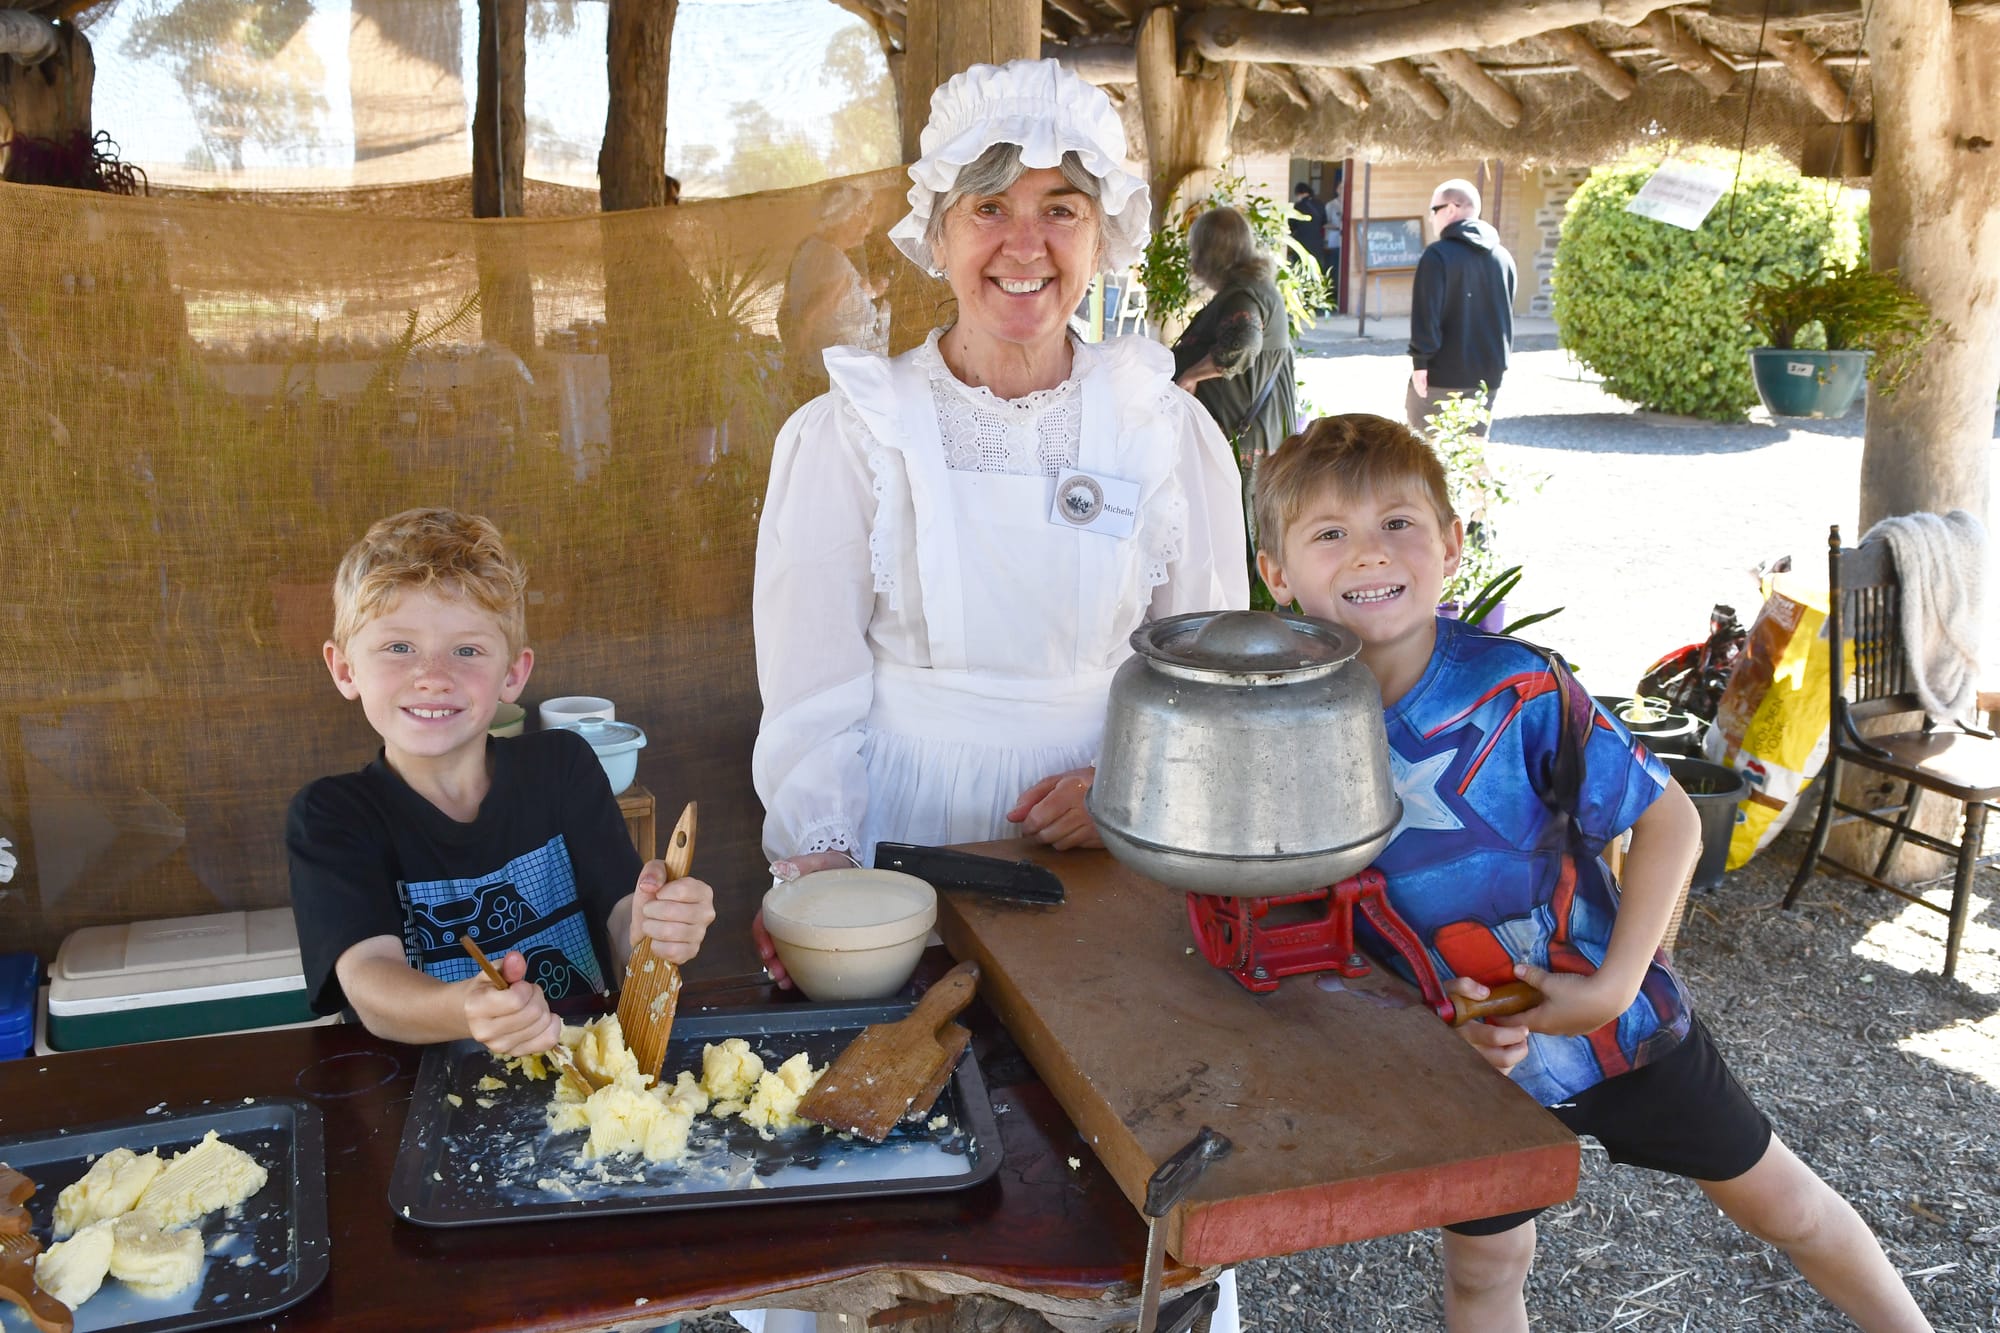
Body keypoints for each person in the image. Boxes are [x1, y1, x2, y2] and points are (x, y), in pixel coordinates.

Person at [745, 57, 1249, 1333]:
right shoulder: (854, 429)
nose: (1023, 245)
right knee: (910, 1161)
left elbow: (1209, 671)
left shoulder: (1164, 427)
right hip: (902, 832)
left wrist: (1134, 792)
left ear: (1104, 233)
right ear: (936, 233)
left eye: (1060, 209)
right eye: (989, 208)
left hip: (1110, 844)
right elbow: (810, 685)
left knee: (1114, 1168)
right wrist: (816, 880)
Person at [1251, 416, 1934, 1333]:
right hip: (1470, 1061)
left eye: (1398, 523)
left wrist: (1611, 989)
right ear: (1278, 573)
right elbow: (1311, 923)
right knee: (1487, 1275)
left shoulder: (1522, 690)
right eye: (1329, 532)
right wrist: (1416, 1039)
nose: (1369, 552)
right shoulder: (1275, 728)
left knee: (1790, 1209)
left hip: (1620, 1031)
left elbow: (1672, 818)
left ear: (1451, 545)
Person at [286, 508, 716, 1057]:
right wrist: (468, 1010)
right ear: (345, 669)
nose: (433, 677)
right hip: (423, 1105)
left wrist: (660, 927)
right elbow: (370, 982)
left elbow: (622, 920)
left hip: (585, 1083)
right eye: (399, 648)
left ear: (513, 674)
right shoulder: (333, 816)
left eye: (467, 651)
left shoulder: (562, 768)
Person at [1173, 206, 1296, 566]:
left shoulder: (1244, 295)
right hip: (1253, 435)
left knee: (1240, 541)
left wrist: (1190, 376)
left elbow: (1242, 341)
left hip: (1246, 441)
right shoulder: (1253, 288)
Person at [1407, 178, 1516, 439]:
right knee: (1472, 451)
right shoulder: (1503, 258)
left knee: (1424, 451)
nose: (1431, 218)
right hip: (1489, 373)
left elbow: (1426, 315)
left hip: (1442, 373)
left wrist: (1420, 363)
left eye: (1434, 210)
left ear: (1452, 209)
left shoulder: (1438, 255)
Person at [778, 181, 890, 395]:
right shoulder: (831, 261)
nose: (867, 224)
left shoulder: (812, 247)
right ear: (842, 217)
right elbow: (809, 317)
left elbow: (835, 306)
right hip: (837, 380)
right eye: (860, 215)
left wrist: (868, 291)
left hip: (837, 372)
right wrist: (793, 366)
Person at [1288, 182, 1328, 274]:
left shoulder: (1298, 206)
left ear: (1298, 193)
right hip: (1317, 242)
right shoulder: (1320, 204)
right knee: (1317, 269)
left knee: (1301, 268)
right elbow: (1324, 221)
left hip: (1302, 242)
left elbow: (1292, 226)